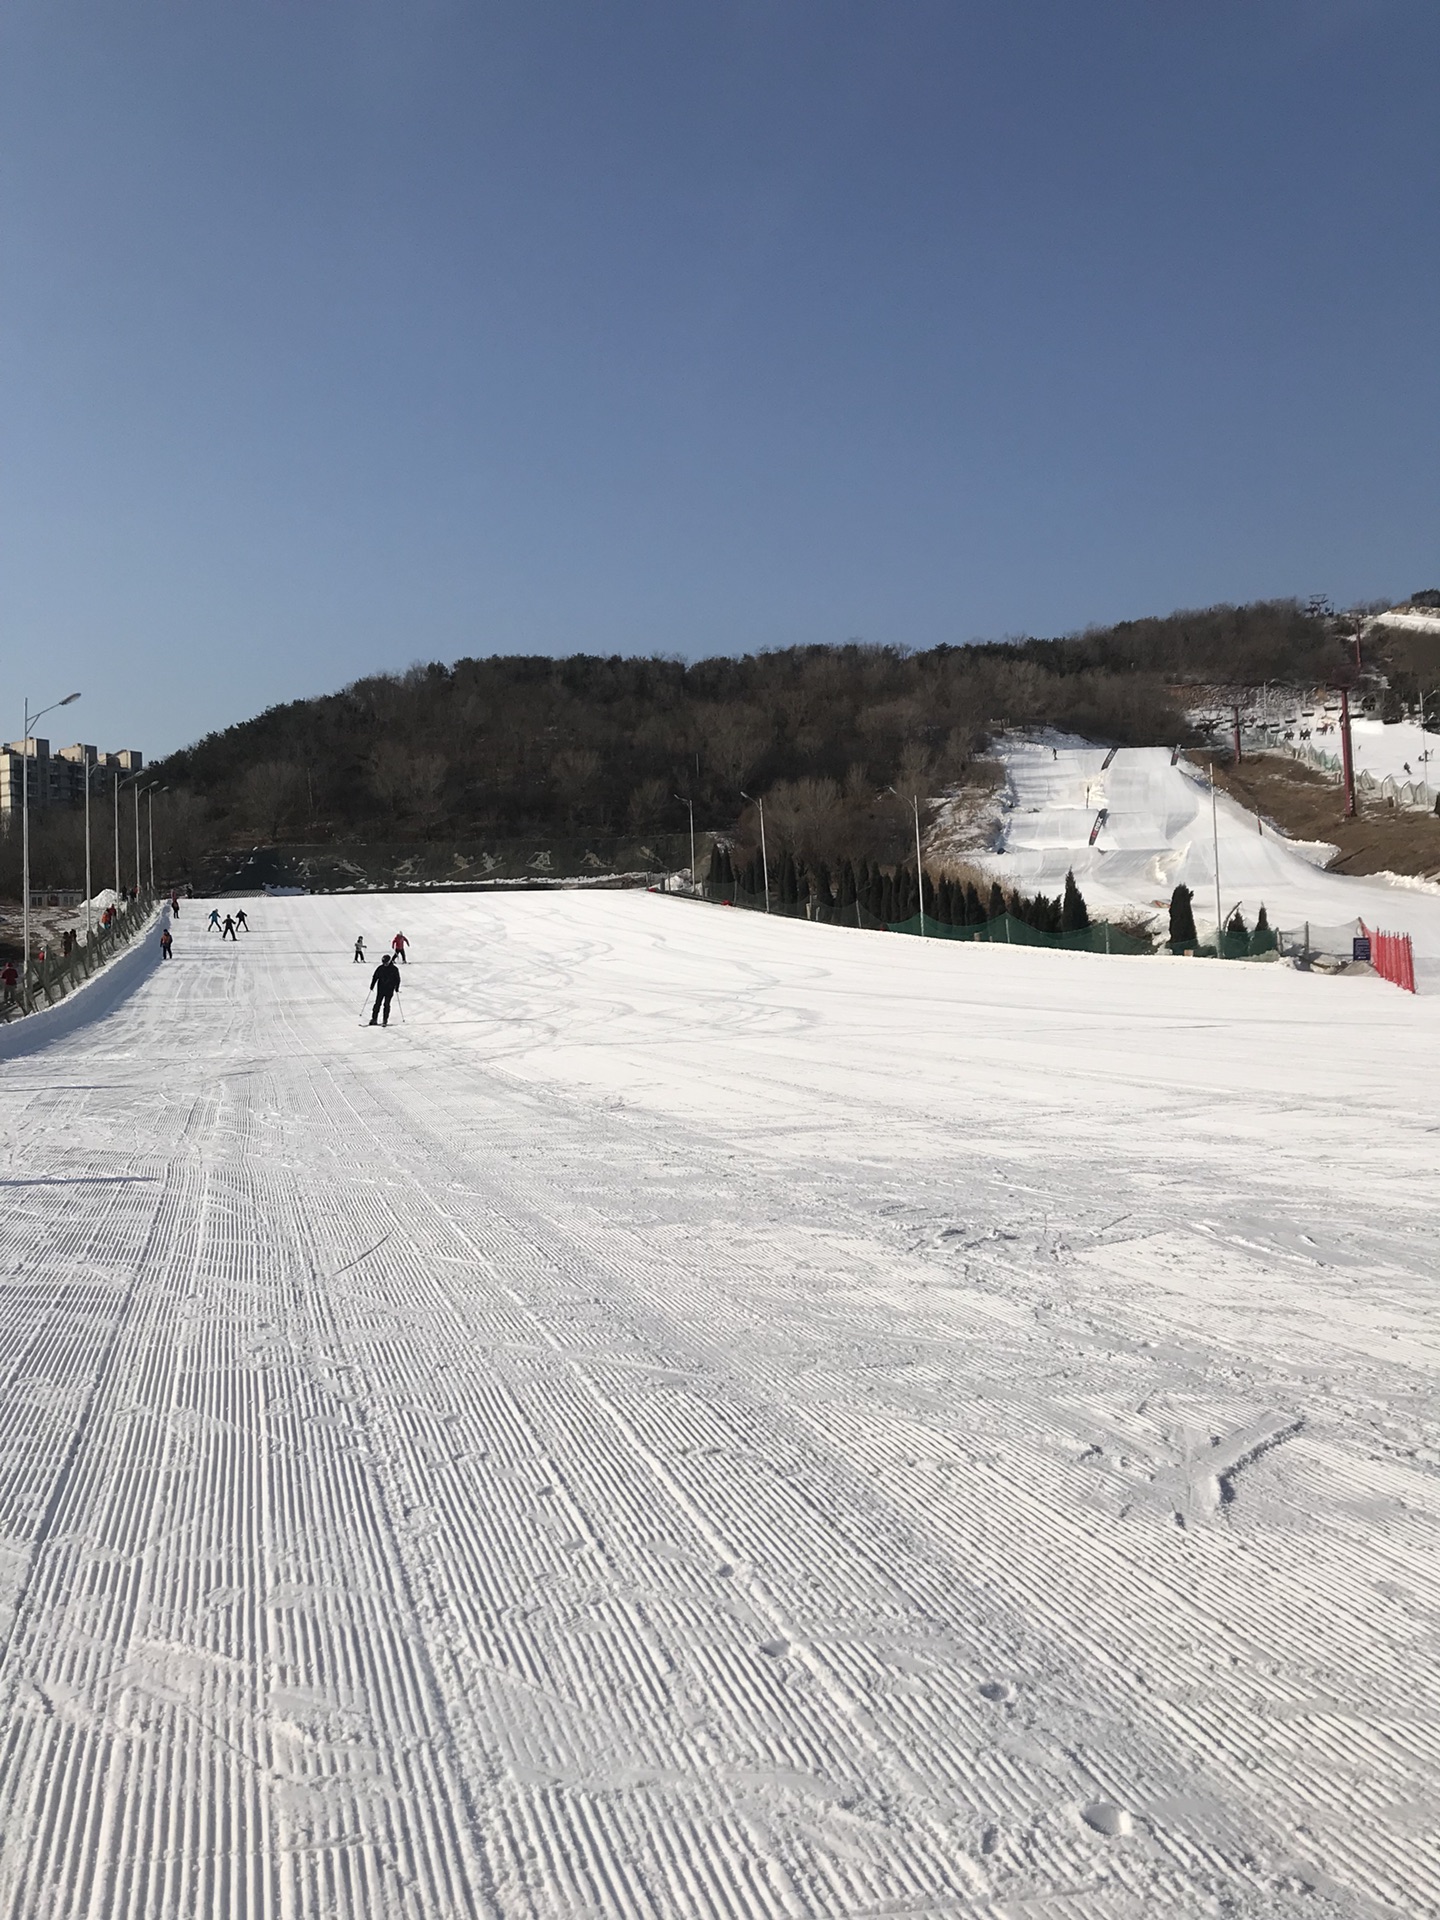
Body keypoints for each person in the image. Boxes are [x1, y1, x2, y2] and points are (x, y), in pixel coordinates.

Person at [369, 953, 401, 1025]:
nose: (385, 964)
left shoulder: (394, 969)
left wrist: (397, 987)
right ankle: (374, 1019)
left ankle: (385, 1019)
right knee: (377, 1003)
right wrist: (372, 985)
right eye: (383, 963)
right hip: (381, 989)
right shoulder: (380, 968)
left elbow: (397, 979)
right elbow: (375, 977)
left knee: (386, 1004)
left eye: (386, 963)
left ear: (389, 961)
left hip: (389, 989)